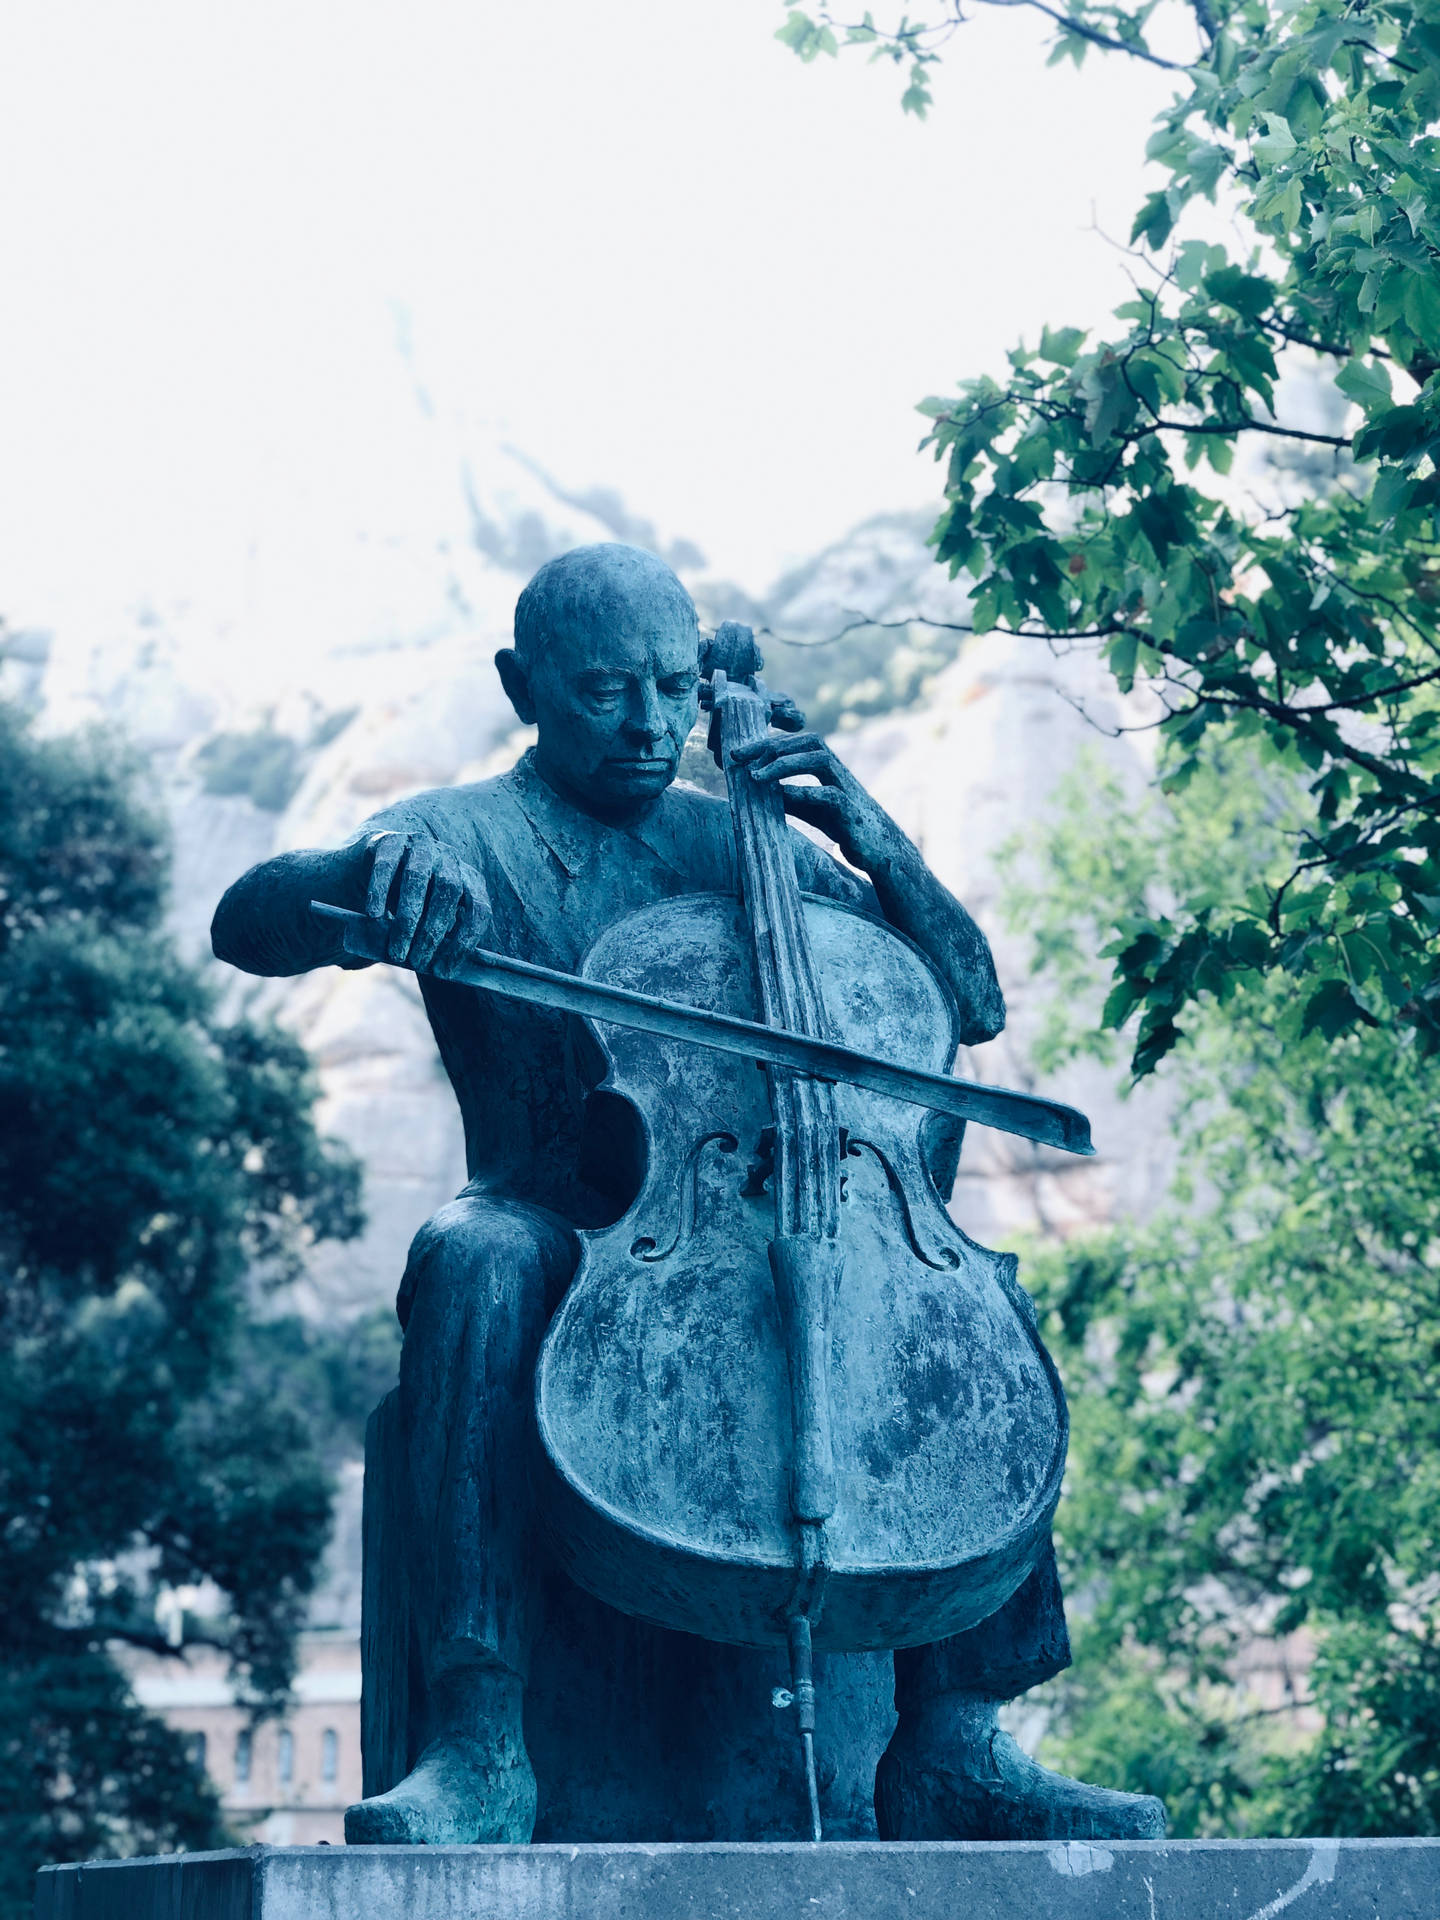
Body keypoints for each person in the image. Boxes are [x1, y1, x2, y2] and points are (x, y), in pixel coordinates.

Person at [212, 542, 1163, 1846]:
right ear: (523, 685)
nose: (653, 724)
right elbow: (245, 925)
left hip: (749, 1221)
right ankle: (481, 1745)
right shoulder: (460, 830)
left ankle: (953, 1736)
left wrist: (865, 831)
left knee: (959, 1299)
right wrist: (352, 890)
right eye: (607, 691)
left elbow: (971, 1003)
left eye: (672, 688)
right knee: (472, 1251)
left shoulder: (739, 842)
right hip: (556, 1227)